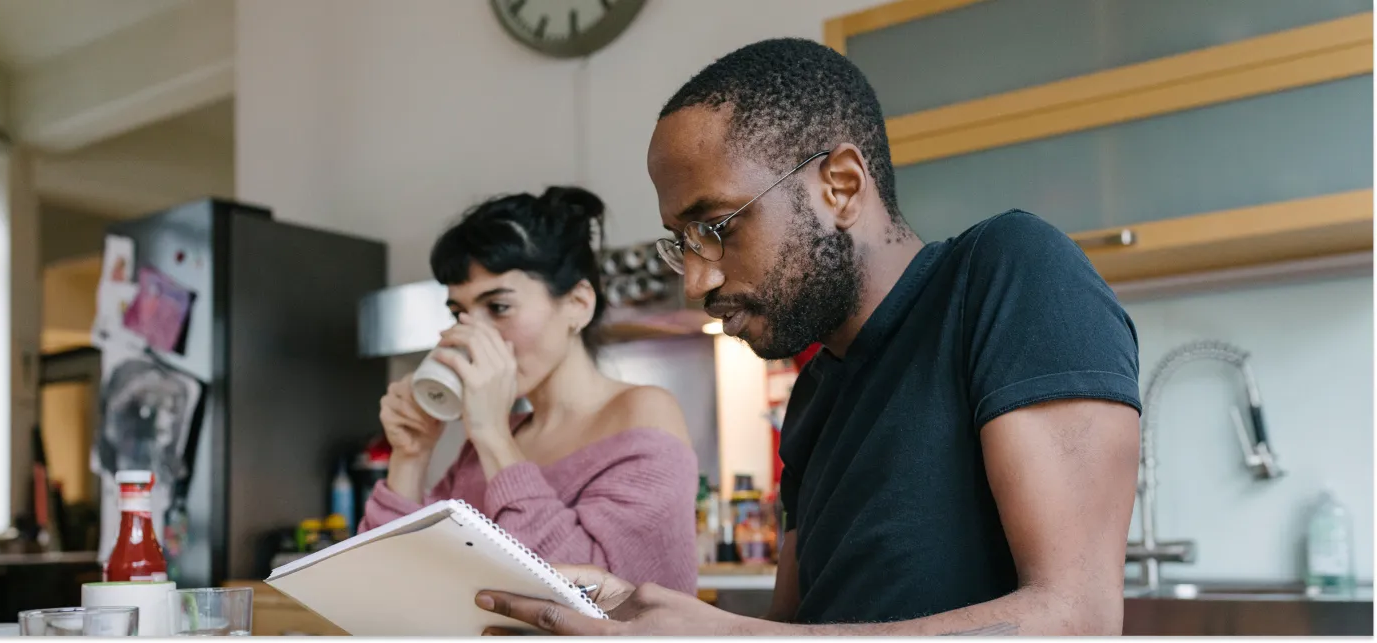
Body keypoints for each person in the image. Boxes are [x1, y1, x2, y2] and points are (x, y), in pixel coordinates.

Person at [474, 38, 1141, 636]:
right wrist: (640, 620)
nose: (697, 281)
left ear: (842, 187)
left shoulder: (1009, 270)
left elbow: (1075, 619)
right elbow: (794, 631)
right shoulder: (816, 391)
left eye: (718, 226)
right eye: (683, 242)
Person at [361, 186, 699, 594]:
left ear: (577, 303)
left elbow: (587, 598)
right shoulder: (495, 443)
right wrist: (411, 455)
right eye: (459, 313)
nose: (472, 334)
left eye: (498, 307)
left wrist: (492, 435)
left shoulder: (643, 412)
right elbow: (383, 586)